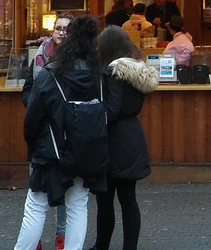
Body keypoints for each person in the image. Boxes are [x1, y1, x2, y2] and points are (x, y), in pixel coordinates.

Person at [15, 15, 108, 250]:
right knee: (78, 205)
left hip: (51, 151)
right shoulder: (98, 77)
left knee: (36, 206)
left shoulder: (49, 74)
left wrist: (34, 145)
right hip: (86, 151)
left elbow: (32, 118)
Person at [87, 26, 158, 250]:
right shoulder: (136, 71)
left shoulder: (113, 73)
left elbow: (112, 109)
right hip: (132, 137)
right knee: (129, 200)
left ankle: (101, 247)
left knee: (105, 202)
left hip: (113, 142)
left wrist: (92, 117)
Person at [20, 14, 72, 250]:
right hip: (41, 131)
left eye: (66, 30)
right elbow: (29, 87)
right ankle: (35, 238)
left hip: (64, 133)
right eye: (58, 28)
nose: (61, 33)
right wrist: (34, 105)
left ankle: (62, 237)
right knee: (37, 187)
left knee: (63, 188)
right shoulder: (40, 55)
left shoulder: (76, 59)